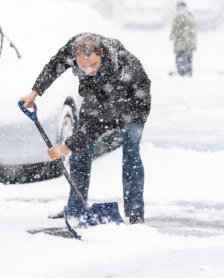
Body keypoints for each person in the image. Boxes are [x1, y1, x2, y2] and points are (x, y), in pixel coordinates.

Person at [20, 33, 151, 224]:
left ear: (102, 54)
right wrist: (35, 92)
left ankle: (135, 213)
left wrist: (66, 147)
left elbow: (101, 122)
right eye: (83, 66)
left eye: (93, 65)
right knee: (80, 151)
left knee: (130, 153)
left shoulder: (121, 69)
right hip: (98, 94)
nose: (88, 70)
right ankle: (76, 207)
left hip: (134, 102)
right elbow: (54, 66)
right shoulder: (74, 47)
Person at [170, 1, 197, 77]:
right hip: (190, 42)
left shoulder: (179, 15)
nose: (176, 8)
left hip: (181, 42)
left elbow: (175, 29)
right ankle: (188, 72)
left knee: (180, 58)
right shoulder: (189, 14)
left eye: (177, 6)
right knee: (188, 59)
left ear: (179, 6)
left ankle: (182, 73)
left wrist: (172, 36)